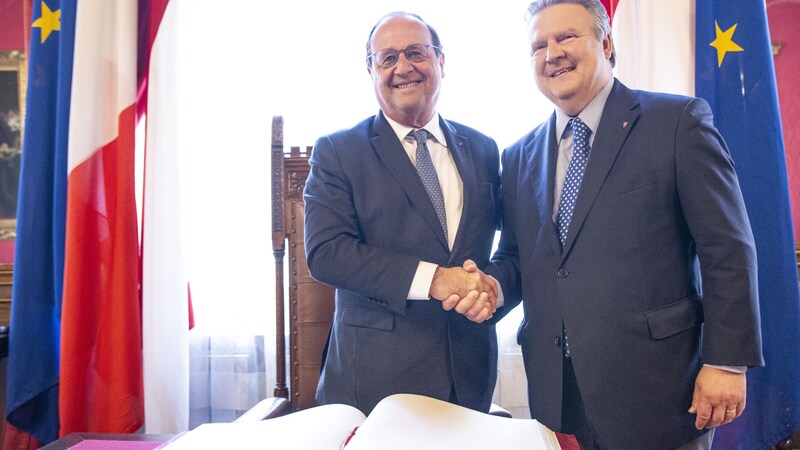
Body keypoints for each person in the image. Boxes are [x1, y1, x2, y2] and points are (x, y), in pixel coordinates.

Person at [483, 1, 764, 448]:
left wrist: (727, 362)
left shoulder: (677, 122)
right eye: (539, 45)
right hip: (561, 393)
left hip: (659, 390)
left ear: (607, 43)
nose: (552, 53)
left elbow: (726, 248)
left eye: (566, 37)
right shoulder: (518, 156)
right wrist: (489, 287)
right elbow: (522, 258)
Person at [303, 11, 500, 416]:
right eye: (387, 58)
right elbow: (327, 253)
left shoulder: (483, 149)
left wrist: (491, 289)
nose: (403, 67)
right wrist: (434, 280)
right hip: (375, 385)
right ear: (371, 70)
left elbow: (507, 250)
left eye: (415, 53)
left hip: (469, 377)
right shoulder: (338, 152)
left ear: (441, 62)